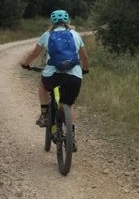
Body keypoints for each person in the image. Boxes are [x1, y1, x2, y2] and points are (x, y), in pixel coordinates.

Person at [21, 9, 89, 150]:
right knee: (69, 105)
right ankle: (72, 138)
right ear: (68, 21)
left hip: (52, 75)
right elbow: (84, 58)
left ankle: (45, 115)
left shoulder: (47, 35)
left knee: (43, 86)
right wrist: (86, 69)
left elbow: (34, 53)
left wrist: (25, 64)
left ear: (52, 22)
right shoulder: (75, 35)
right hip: (74, 76)